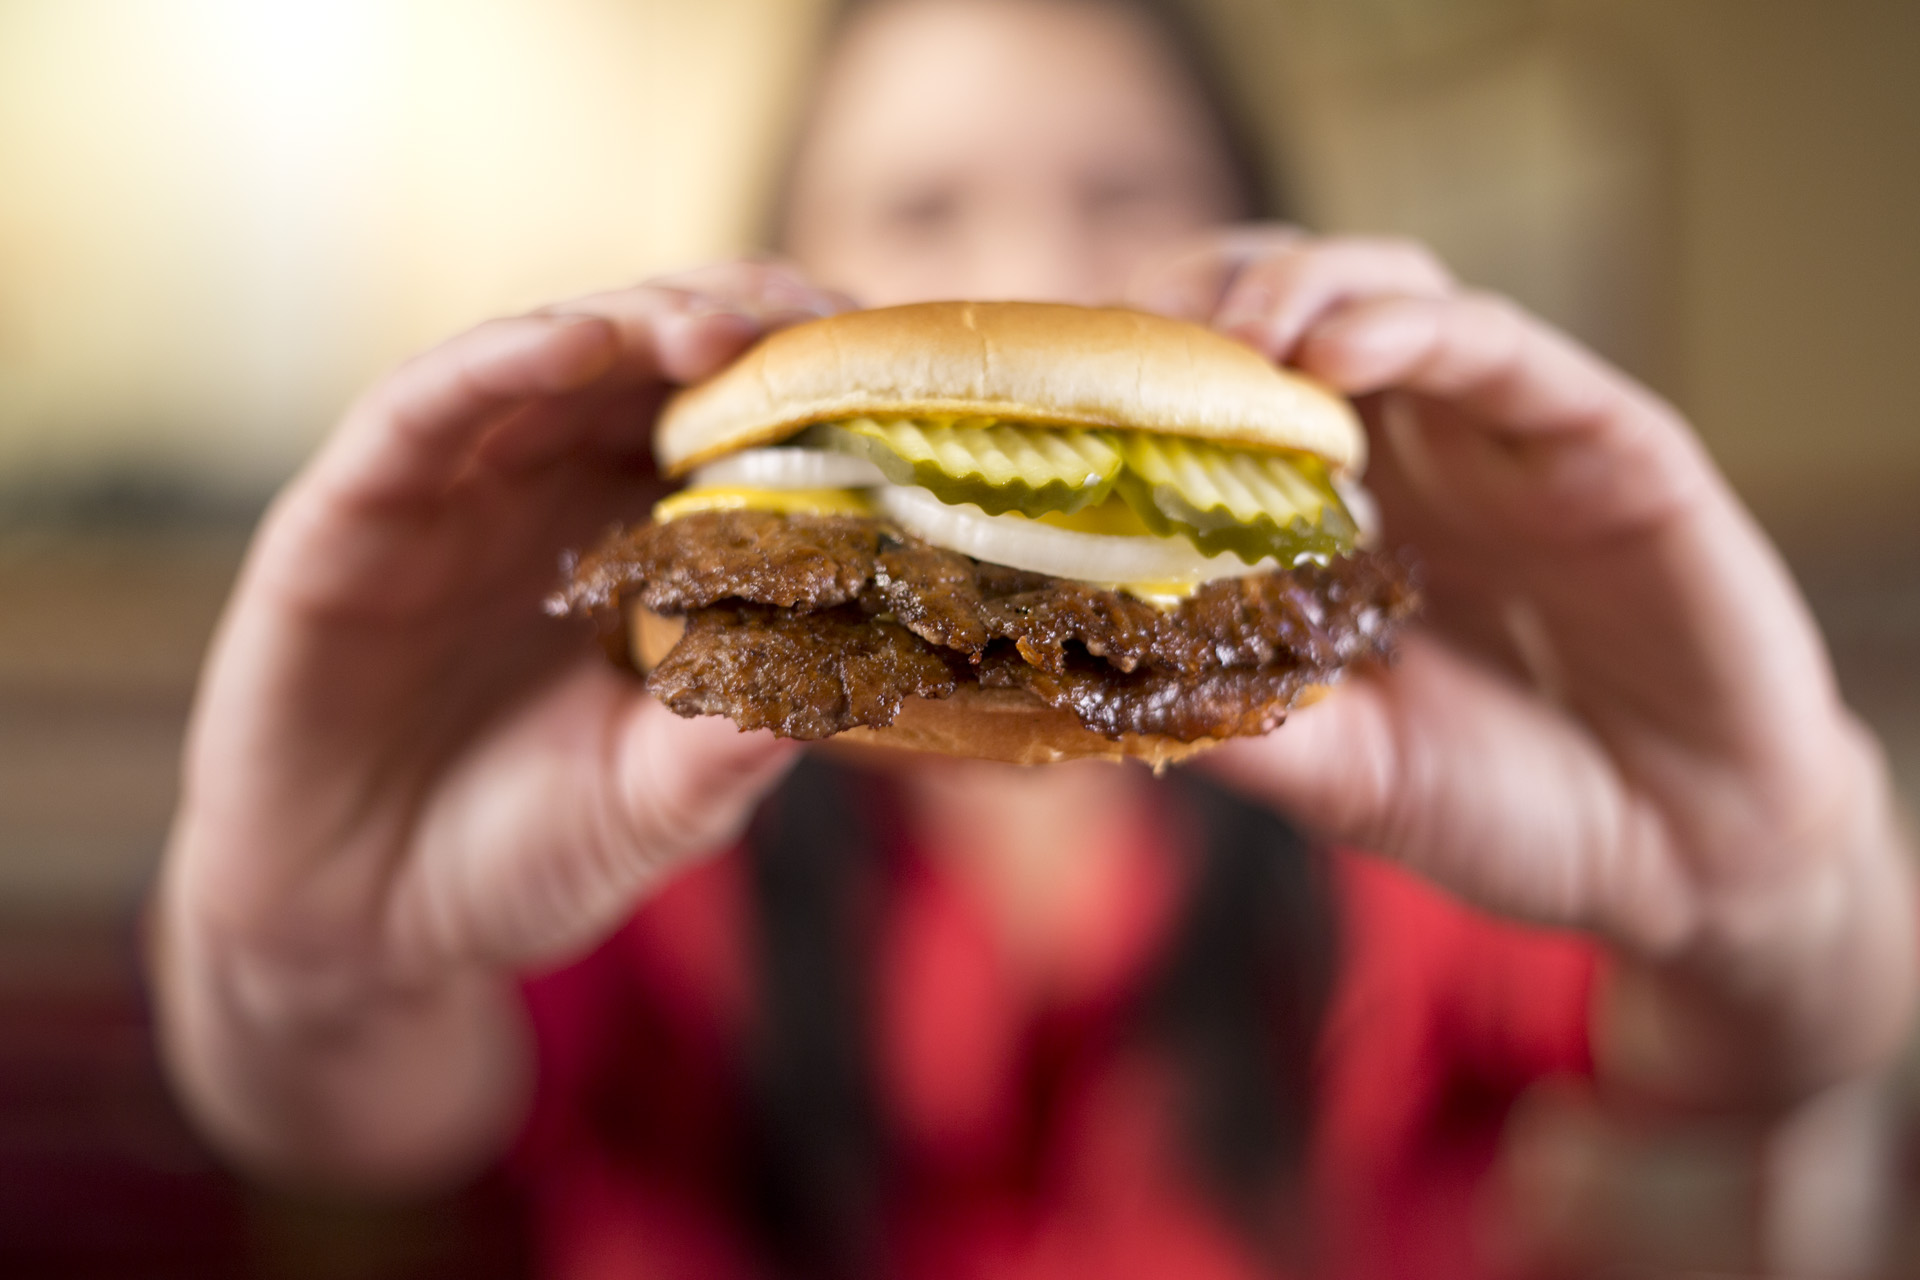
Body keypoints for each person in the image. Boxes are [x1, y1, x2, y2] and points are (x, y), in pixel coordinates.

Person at [151, 0, 1918, 1275]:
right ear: (780, 275)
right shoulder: (624, 833)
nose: (1025, 267)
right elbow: (342, 1109)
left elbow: (1780, 1035)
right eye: (920, 207)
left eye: (1125, 190)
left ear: (1254, 251)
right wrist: (291, 955)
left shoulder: (1408, 828)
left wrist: (1769, 868)